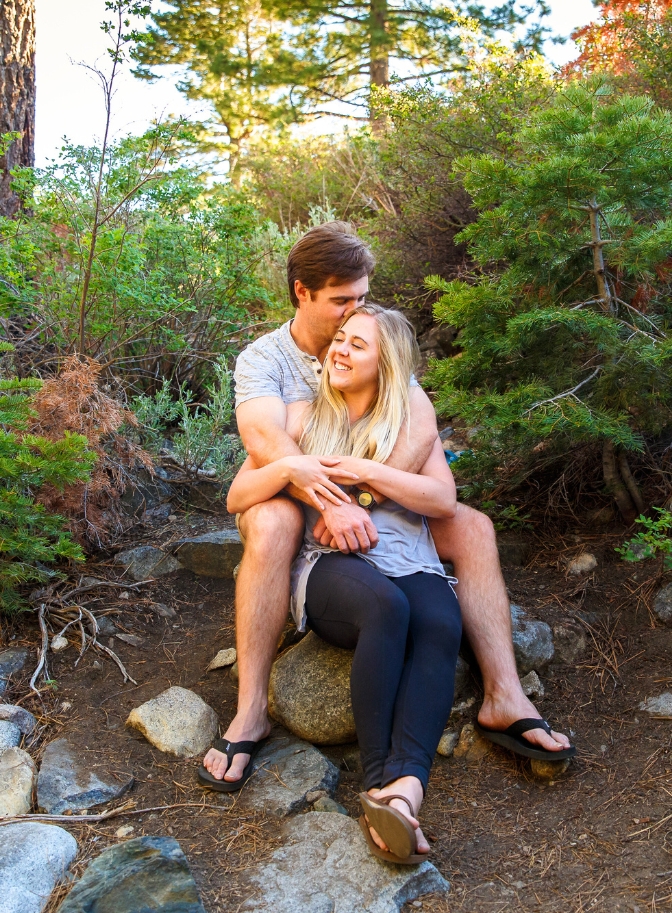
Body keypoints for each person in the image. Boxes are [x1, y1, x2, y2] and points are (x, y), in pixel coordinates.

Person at [200, 221, 573, 792]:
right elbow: (264, 442)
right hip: (294, 494)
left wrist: (366, 493)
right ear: (302, 292)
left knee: (470, 526)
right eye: (341, 302)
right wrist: (327, 502)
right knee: (273, 520)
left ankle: (504, 693)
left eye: (362, 299)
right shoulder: (265, 359)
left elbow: (416, 419)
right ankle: (252, 706)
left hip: (362, 496)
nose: (353, 312)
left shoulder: (372, 334)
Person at [209, 304, 463, 863]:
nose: (339, 350)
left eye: (357, 345)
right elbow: (237, 496)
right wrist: (295, 472)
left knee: (443, 621)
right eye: (339, 339)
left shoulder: (409, 421)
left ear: (387, 363)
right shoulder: (302, 418)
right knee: (386, 609)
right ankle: (376, 783)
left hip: (407, 555)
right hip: (329, 563)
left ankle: (408, 789)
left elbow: (443, 500)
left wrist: (368, 473)